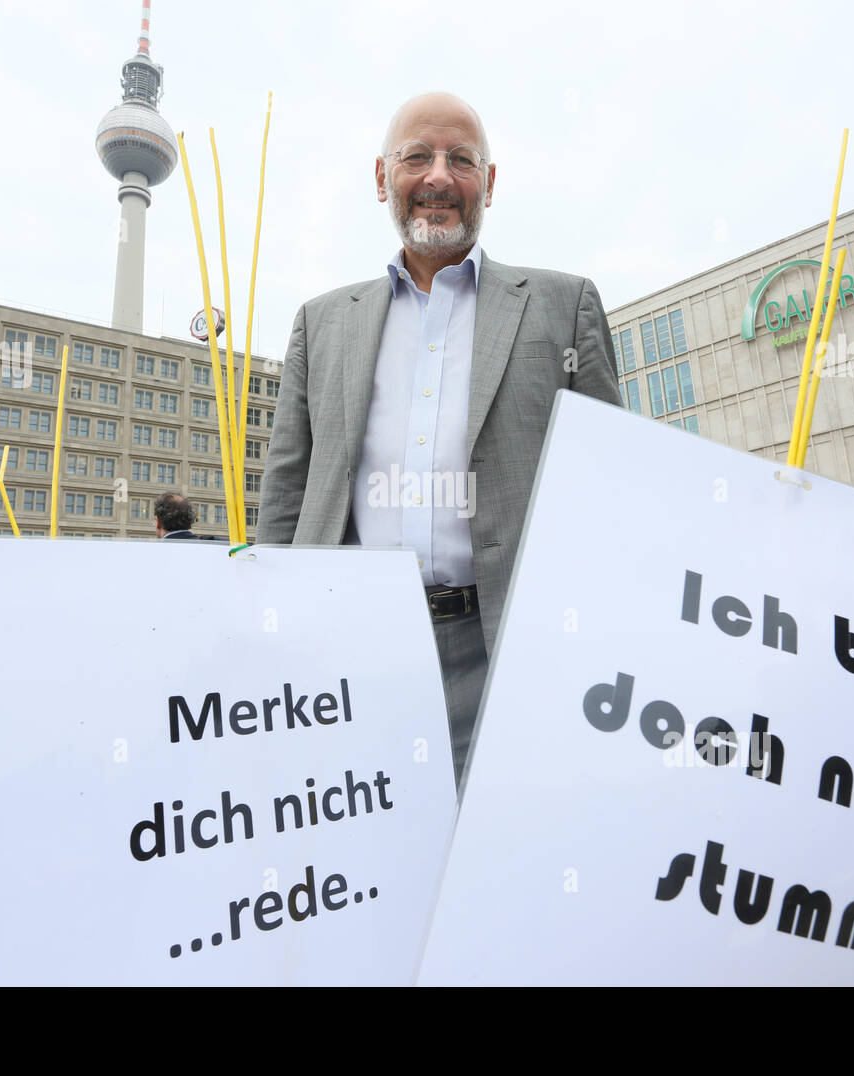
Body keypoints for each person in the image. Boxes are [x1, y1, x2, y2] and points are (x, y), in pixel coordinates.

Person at [257, 92, 622, 784]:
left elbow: (612, 486)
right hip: (353, 652)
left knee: (508, 860)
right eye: (416, 156)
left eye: (461, 159)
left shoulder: (564, 306)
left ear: (489, 182)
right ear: (380, 177)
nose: (438, 177)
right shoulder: (321, 323)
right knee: (368, 863)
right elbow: (287, 493)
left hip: (511, 650)